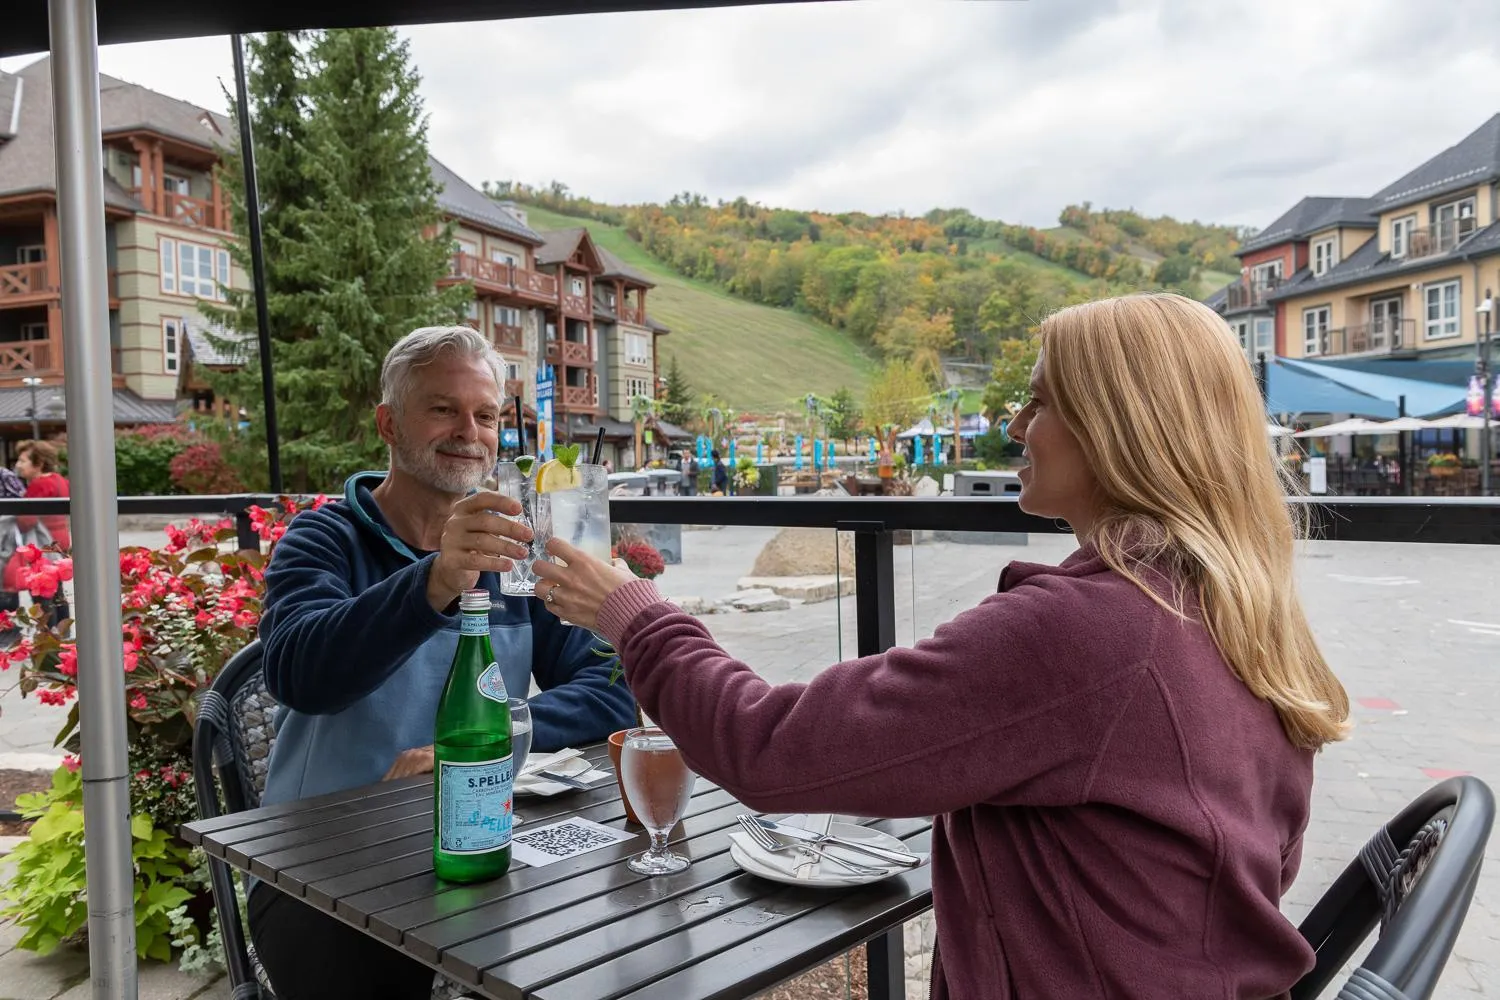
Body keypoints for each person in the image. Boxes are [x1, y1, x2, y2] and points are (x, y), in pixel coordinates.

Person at [531, 293, 1349, 999]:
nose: (1015, 425)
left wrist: (633, 613)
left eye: (1040, 402)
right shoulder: (1236, 610)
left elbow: (771, 751)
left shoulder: (1090, 631)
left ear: (1118, 427)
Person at [247, 326, 636, 1000]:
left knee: (611, 952)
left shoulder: (514, 556)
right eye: (442, 409)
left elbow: (610, 691)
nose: (469, 431)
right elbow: (299, 676)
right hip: (319, 872)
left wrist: (485, 739)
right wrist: (435, 581)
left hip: (477, 851)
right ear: (388, 424)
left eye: (485, 415)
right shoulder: (325, 539)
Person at [10, 440, 71, 626]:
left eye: (23, 461)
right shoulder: (60, 480)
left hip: (42, 544)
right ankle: (64, 635)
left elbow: (25, 521)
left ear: (39, 463)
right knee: (58, 594)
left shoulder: (39, 485)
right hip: (59, 540)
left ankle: (48, 641)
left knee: (42, 594)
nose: (18, 465)